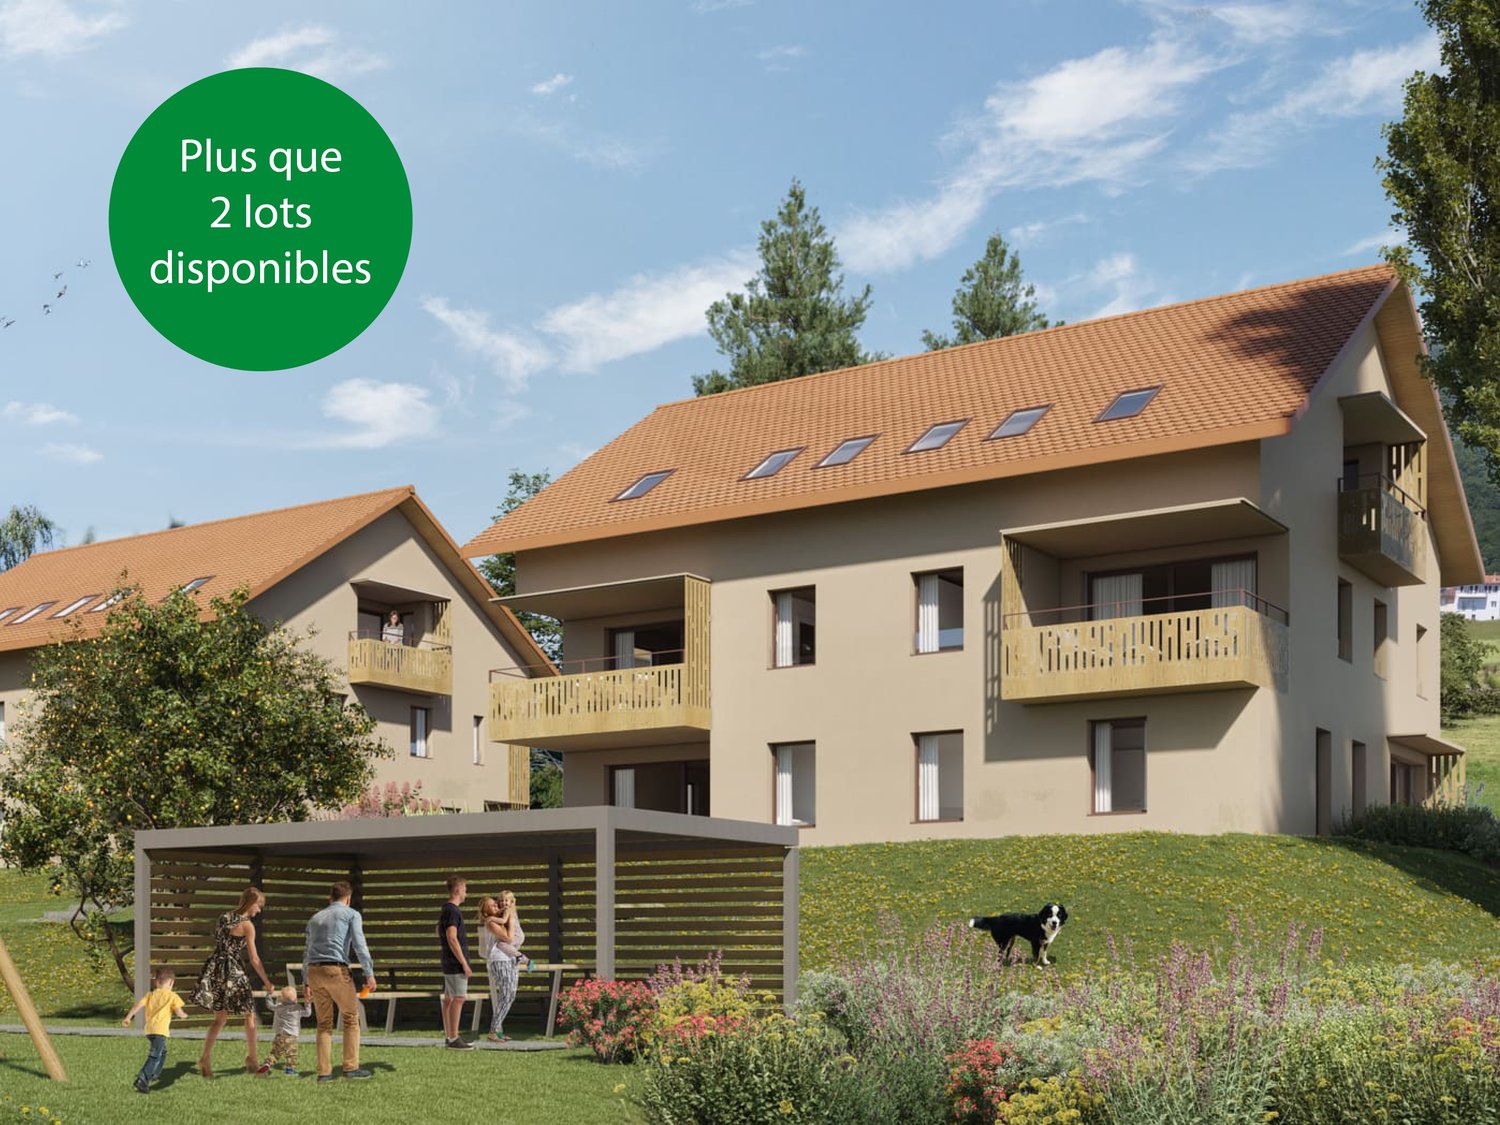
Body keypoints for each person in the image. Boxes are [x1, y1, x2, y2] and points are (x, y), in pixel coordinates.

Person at [190, 885, 274, 1077]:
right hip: (234, 971)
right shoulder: (247, 925)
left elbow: (220, 943)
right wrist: (267, 982)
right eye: (258, 906)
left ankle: (205, 1057)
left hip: (215, 968)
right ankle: (252, 1060)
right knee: (250, 1015)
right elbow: (254, 959)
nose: (258, 910)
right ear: (251, 903)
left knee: (219, 1019)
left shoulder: (223, 917)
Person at [303, 880, 377, 1082]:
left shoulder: (315, 918)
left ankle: (324, 1073)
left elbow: (306, 951)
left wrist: (305, 982)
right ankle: (351, 1067)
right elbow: (360, 945)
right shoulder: (351, 914)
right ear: (348, 898)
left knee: (323, 1023)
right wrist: (369, 973)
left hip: (314, 971)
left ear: (330, 897)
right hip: (336, 969)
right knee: (351, 1017)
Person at [123, 966, 187, 1093]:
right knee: (154, 1056)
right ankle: (143, 1079)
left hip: (150, 1030)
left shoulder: (150, 995)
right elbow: (178, 1011)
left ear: (156, 982)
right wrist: (183, 1015)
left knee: (162, 1052)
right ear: (171, 983)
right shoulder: (173, 996)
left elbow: (138, 1006)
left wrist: (128, 1017)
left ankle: (154, 1073)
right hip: (160, 1031)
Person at [477, 894, 524, 1043]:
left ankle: (497, 1031)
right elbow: (509, 938)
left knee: (510, 995)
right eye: (491, 906)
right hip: (499, 959)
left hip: (509, 958)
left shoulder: (500, 919)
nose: (496, 906)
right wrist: (508, 919)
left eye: (495, 904)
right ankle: (493, 1030)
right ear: (486, 911)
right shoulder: (490, 922)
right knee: (507, 994)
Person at [437, 874, 474, 1049]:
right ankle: (453, 1038)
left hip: (447, 961)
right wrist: (464, 963)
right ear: (458, 890)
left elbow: (437, 930)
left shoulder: (445, 909)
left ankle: (449, 1035)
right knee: (458, 998)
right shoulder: (453, 910)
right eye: (465, 889)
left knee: (449, 999)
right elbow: (451, 937)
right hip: (455, 963)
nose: (466, 893)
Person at [257, 985, 312, 1076]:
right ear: (295, 999)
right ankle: (290, 1070)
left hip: (279, 1035)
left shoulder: (279, 1006)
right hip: (291, 1037)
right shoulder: (297, 1008)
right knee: (291, 1054)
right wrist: (307, 1002)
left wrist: (268, 995)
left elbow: (270, 1006)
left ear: (282, 998)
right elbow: (308, 1013)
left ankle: (267, 1063)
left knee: (275, 1053)